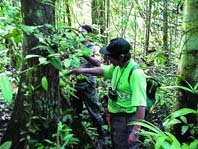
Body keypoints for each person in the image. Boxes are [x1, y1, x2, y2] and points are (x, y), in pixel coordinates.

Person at [69, 37, 147, 149]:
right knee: (117, 144)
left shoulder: (136, 74)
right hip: (116, 116)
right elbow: (103, 70)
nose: (108, 59)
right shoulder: (118, 66)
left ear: (121, 57)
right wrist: (82, 70)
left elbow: (141, 105)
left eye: (110, 56)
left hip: (127, 119)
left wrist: (135, 132)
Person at [71, 25, 106, 140]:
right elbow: (64, 57)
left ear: (89, 34)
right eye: (78, 31)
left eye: (83, 32)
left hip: (88, 84)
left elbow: (98, 63)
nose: (80, 33)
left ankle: (103, 135)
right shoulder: (73, 47)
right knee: (75, 111)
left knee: (94, 110)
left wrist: (85, 55)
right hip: (74, 85)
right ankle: (78, 135)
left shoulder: (94, 48)